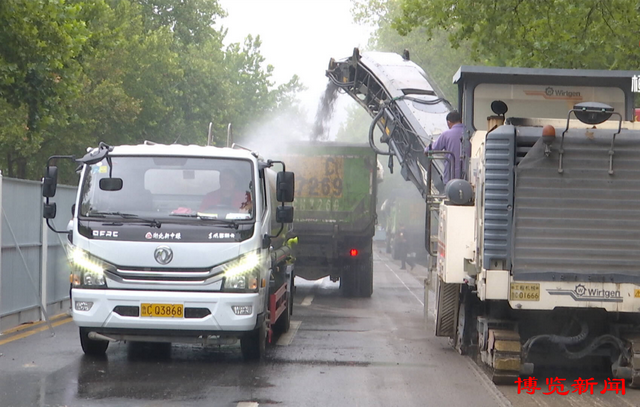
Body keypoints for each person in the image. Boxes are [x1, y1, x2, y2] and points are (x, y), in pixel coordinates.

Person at [425, 110, 466, 184]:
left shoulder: (446, 135)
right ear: (461, 120)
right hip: (468, 176)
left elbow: (434, 148)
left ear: (448, 122)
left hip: (451, 176)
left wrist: (426, 150)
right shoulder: (470, 133)